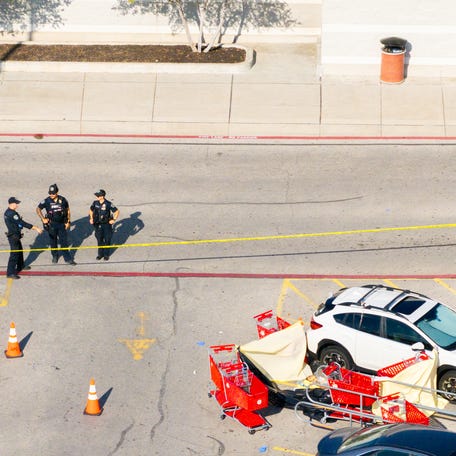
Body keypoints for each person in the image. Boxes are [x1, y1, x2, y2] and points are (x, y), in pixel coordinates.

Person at [36, 184, 76, 265]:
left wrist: (68, 221)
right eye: (50, 193)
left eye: (53, 193)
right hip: (51, 224)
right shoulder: (46, 201)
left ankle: (67, 258)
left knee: (64, 242)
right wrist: (43, 218)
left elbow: (68, 210)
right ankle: (55, 255)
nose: (51, 195)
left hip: (61, 224)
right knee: (53, 241)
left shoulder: (63, 200)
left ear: (57, 192)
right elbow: (38, 209)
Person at [4, 197, 43, 279]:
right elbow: (22, 223)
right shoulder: (12, 214)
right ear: (11, 204)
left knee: (20, 251)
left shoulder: (8, 212)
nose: (17, 205)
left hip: (15, 235)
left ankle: (20, 265)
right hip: (13, 236)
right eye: (16, 203)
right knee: (14, 255)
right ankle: (10, 273)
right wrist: (35, 228)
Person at [89, 189, 119, 261]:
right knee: (99, 240)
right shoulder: (95, 203)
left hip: (106, 225)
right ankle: (100, 254)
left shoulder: (108, 203)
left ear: (102, 196)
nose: (97, 196)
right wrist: (91, 218)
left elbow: (116, 211)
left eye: (98, 195)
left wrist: (114, 219)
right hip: (98, 224)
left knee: (107, 240)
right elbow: (91, 210)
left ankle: (106, 255)